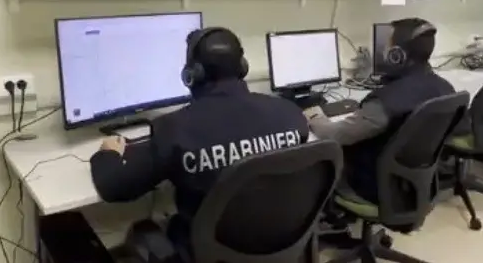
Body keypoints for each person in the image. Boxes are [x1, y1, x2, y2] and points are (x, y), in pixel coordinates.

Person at [89, 27, 309, 259]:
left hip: (208, 253)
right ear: (242, 67)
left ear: (191, 75)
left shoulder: (174, 128)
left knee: (144, 231)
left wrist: (108, 153)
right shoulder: (290, 113)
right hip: (279, 247)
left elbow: (113, 187)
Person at [306, 17, 454, 203]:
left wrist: (314, 116)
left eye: (387, 46)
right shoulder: (445, 88)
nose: (383, 51)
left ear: (396, 55)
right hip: (414, 184)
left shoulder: (385, 102)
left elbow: (335, 135)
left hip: (375, 187)